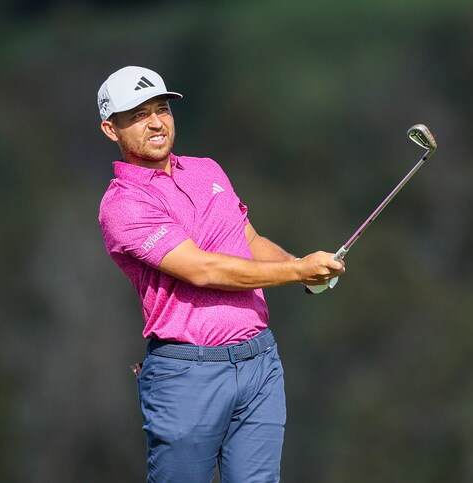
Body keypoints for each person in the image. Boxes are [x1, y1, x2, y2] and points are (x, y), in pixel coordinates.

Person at [96, 65, 345, 482]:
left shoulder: (208, 170)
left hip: (259, 363)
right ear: (111, 129)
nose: (156, 122)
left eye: (161, 109)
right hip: (187, 374)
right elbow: (202, 270)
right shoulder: (123, 204)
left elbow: (248, 241)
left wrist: (301, 269)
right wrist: (296, 269)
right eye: (139, 115)